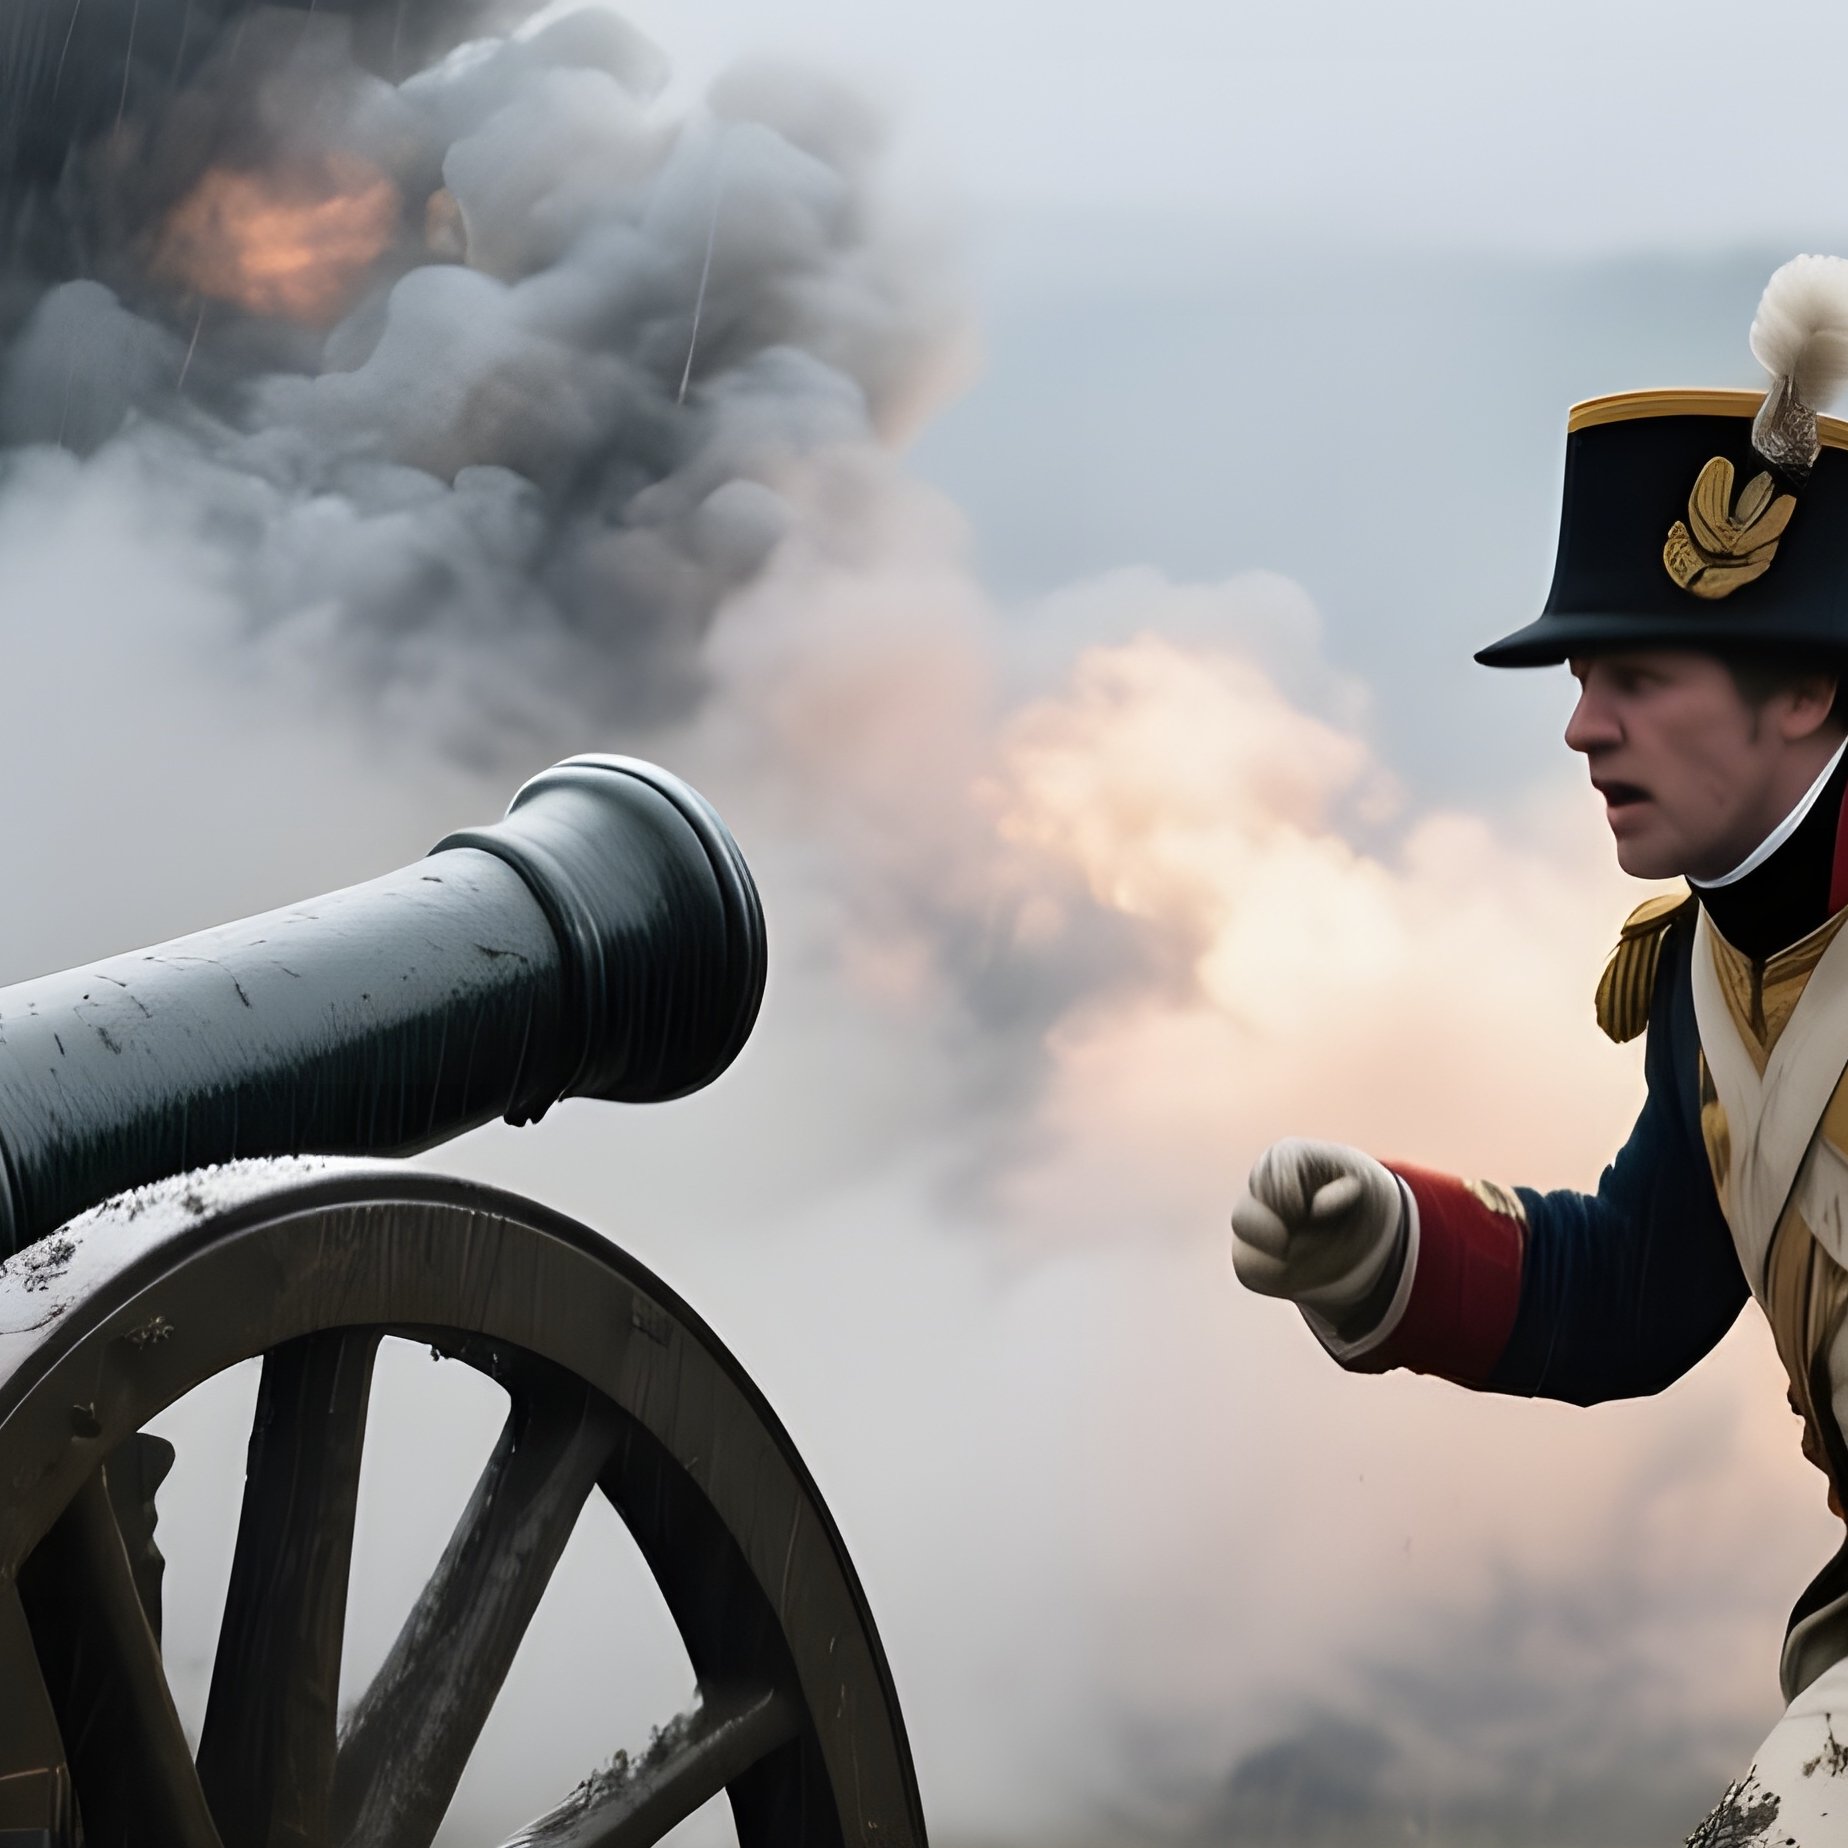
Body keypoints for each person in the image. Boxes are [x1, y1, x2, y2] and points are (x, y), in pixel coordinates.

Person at [1231, 254, 1848, 1844]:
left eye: (1634, 676)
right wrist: (1389, 1247)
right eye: (1584, 680)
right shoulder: (1712, 972)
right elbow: (1637, 1293)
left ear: (1806, 692)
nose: (1582, 727)